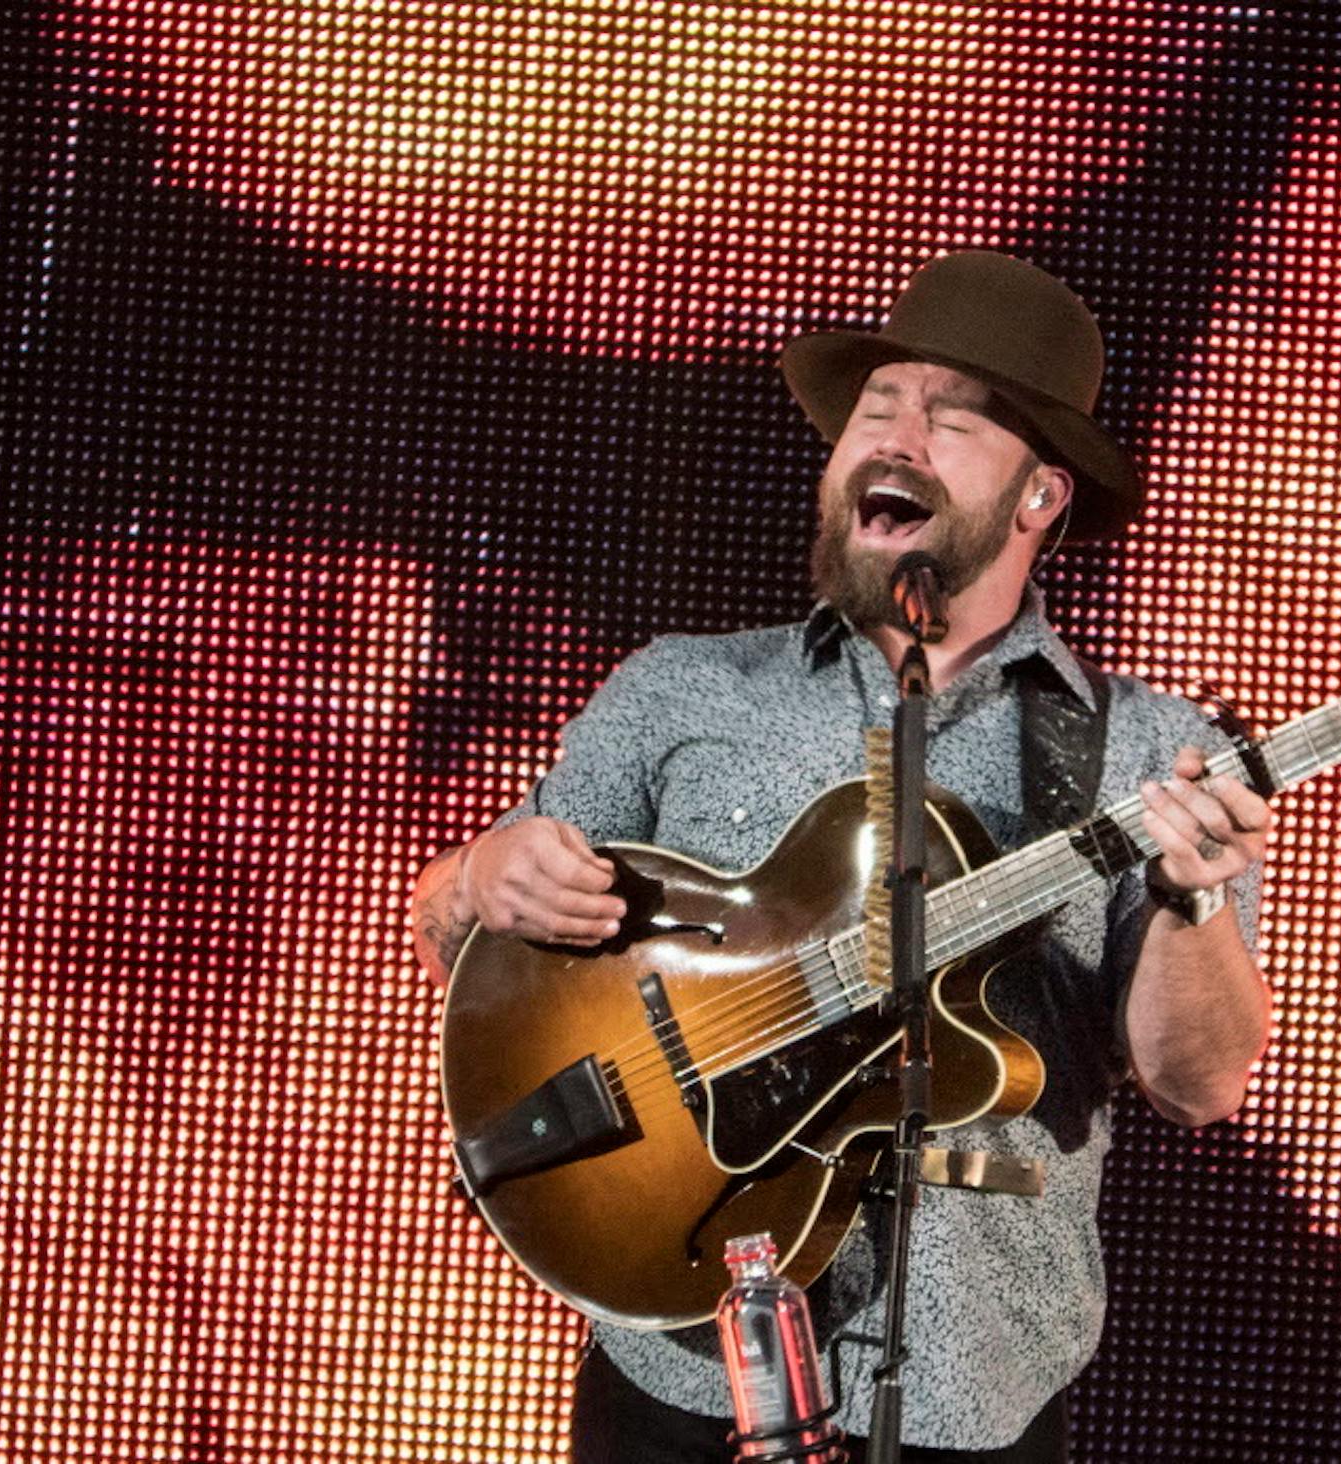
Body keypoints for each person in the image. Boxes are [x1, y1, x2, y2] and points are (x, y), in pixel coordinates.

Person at [410, 250, 1276, 1463]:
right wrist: (482, 875)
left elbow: (1201, 1085)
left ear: (1041, 497)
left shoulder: (1149, 752)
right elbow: (453, 920)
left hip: (973, 1390)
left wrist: (1191, 905)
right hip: (677, 1365)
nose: (897, 435)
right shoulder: (678, 688)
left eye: (953, 418)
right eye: (877, 407)